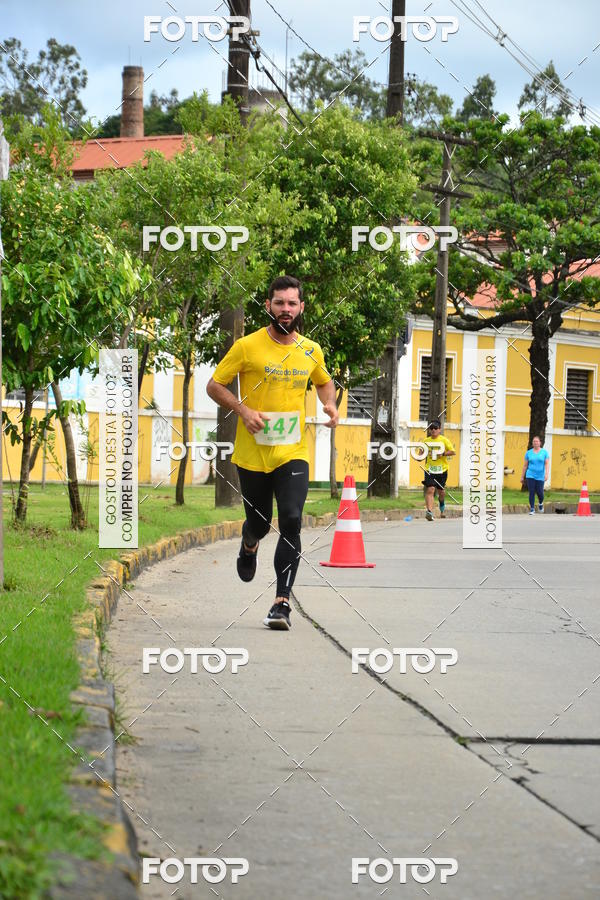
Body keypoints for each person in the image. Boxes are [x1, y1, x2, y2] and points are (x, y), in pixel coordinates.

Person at [206, 275, 338, 630]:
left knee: (292, 519)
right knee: (261, 523)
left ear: (301, 308)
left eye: (292, 303)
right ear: (268, 306)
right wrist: (243, 410)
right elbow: (215, 385)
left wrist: (331, 406)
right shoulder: (247, 347)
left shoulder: (311, 349)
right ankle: (249, 544)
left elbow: (324, 382)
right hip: (252, 454)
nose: (285, 309)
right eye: (279, 303)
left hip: (292, 451)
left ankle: (282, 603)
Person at [422, 419, 455, 521]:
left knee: (441, 492)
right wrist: (419, 456)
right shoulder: (426, 441)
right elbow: (420, 453)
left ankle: (441, 504)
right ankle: (429, 512)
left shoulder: (444, 440)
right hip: (429, 469)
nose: (433, 430)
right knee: (430, 489)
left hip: (442, 470)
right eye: (431, 428)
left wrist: (443, 454)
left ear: (439, 429)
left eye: (435, 428)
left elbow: (452, 452)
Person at [520, 435, 550, 514]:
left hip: (540, 475)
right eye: (534, 441)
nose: (535, 443)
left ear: (540, 442)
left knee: (540, 492)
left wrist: (546, 474)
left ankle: (540, 503)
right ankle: (532, 509)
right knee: (532, 492)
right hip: (530, 475)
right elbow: (525, 465)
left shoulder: (544, 453)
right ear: (532, 443)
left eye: (537, 441)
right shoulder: (528, 453)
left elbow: (547, 464)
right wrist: (522, 476)